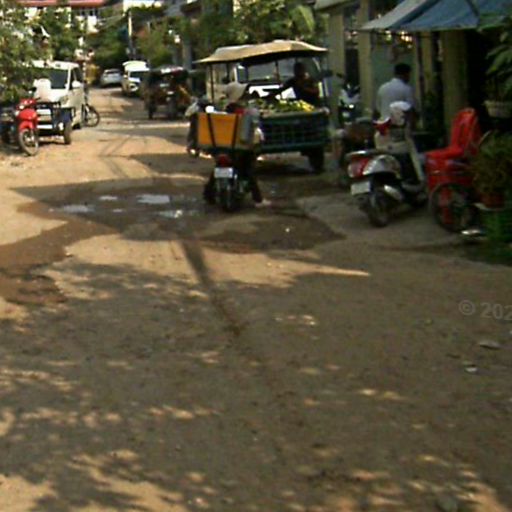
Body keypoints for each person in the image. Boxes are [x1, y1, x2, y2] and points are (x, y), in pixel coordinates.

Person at [203, 82, 267, 207]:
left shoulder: (222, 112)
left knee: (217, 168)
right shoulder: (244, 112)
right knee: (249, 170)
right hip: (240, 148)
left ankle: (208, 195)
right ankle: (258, 199)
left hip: (222, 146)